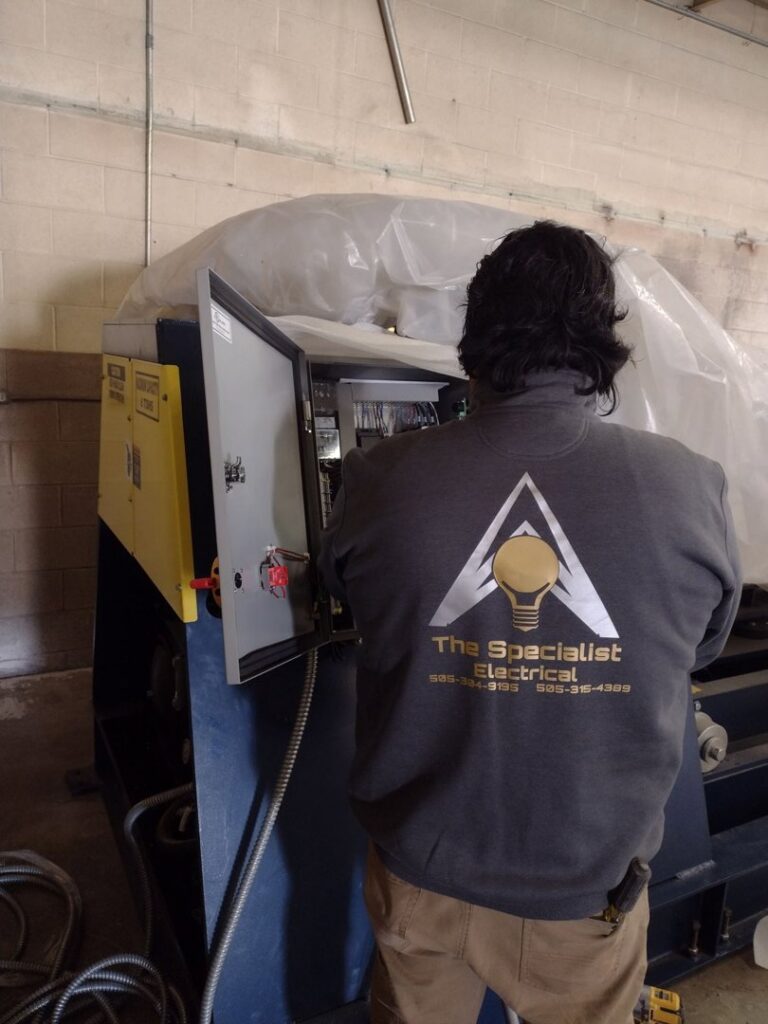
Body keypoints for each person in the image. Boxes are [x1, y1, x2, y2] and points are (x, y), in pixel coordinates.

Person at [318, 221, 741, 1024]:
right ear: (603, 346)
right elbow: (703, 645)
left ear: (475, 343)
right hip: (581, 904)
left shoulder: (378, 480)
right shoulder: (691, 489)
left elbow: (347, 592)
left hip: (419, 879)